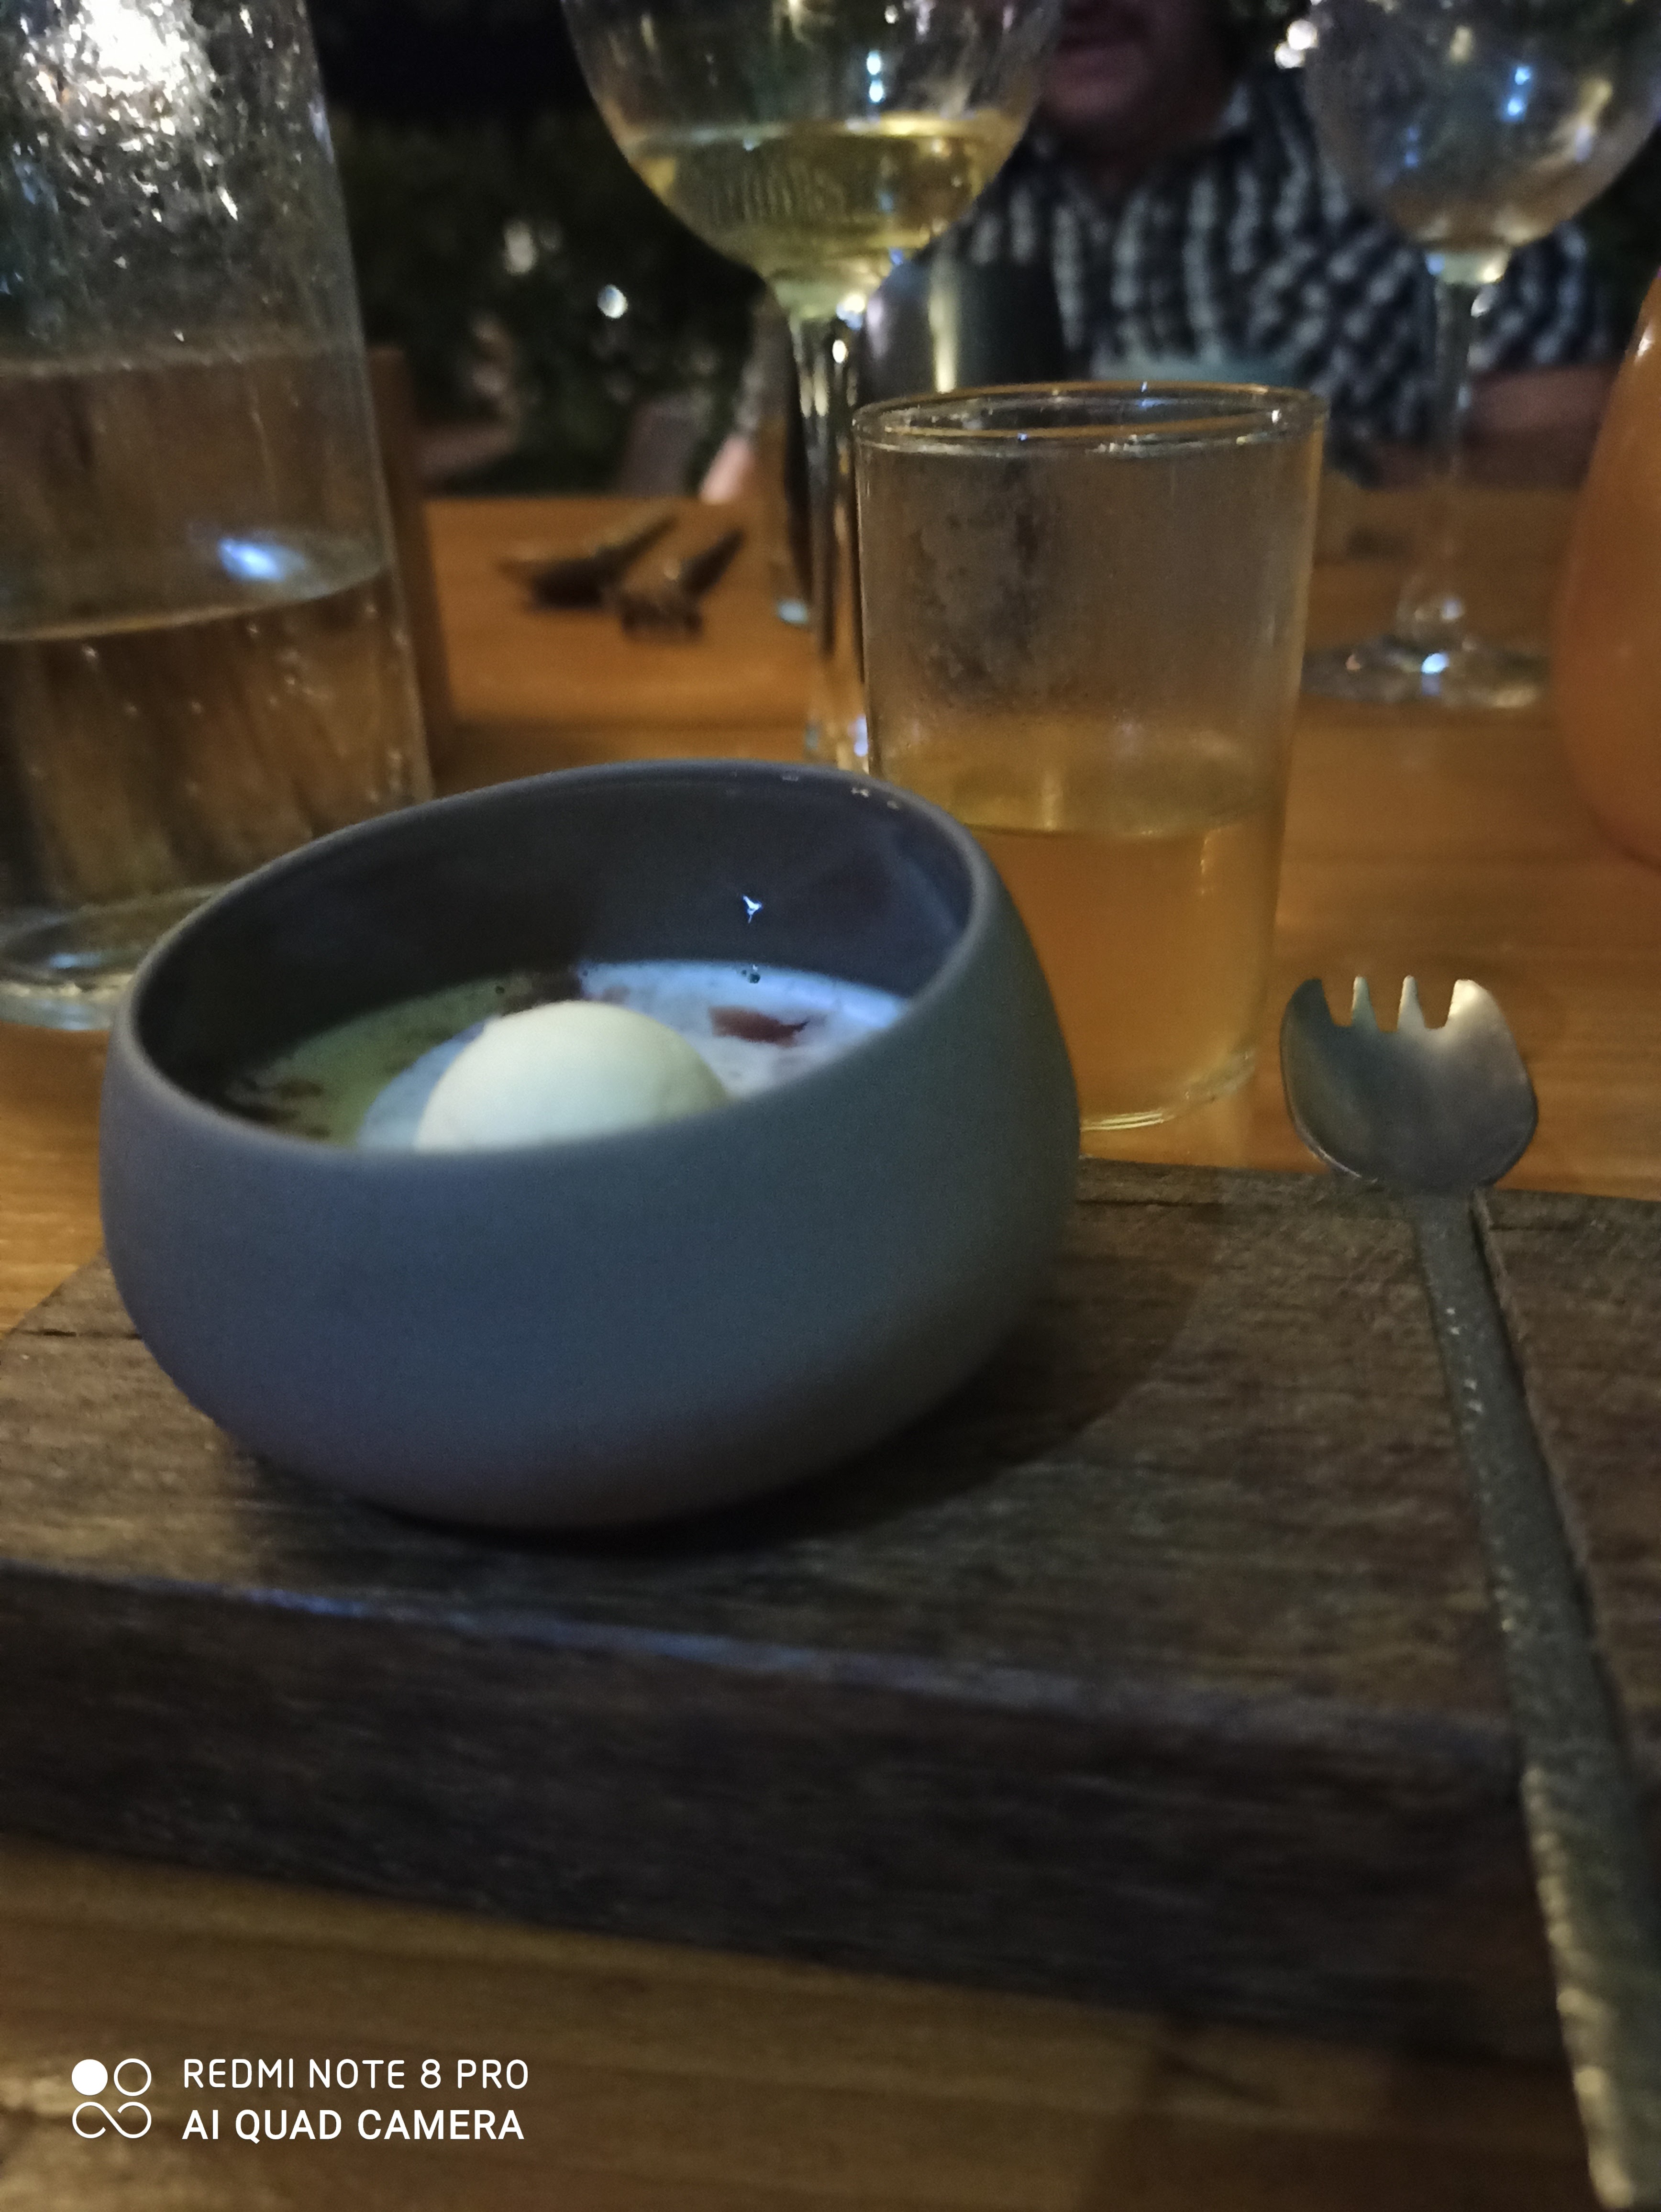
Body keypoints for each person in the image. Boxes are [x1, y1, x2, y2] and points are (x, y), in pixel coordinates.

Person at [936, 0, 1616, 462]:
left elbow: (1570, 451)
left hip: (1339, 626)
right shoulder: (932, 188)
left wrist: (1338, 487)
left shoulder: (1398, 153)